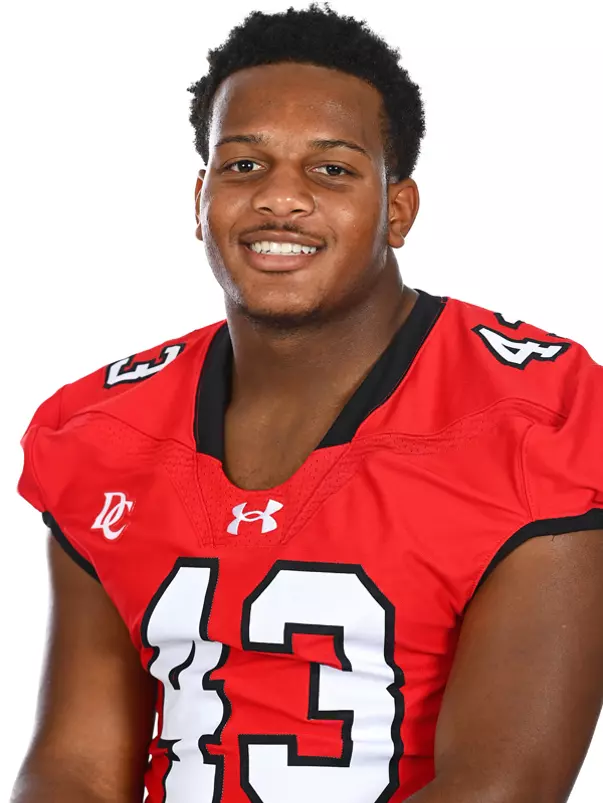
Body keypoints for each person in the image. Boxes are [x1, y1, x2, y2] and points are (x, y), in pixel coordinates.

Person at [11, 4, 603, 803]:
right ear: (199, 199)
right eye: (244, 165)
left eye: (331, 169)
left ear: (397, 208)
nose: (279, 200)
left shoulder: (539, 412)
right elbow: (75, 766)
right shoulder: (101, 429)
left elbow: (503, 787)